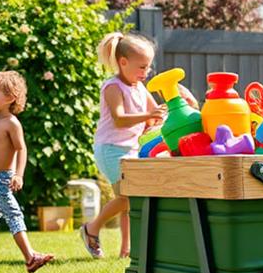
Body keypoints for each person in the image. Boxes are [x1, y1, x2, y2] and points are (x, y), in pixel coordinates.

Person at [79, 32, 196, 259]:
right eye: (141, 67)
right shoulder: (113, 87)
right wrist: (148, 116)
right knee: (127, 197)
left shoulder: (139, 88)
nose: (146, 73)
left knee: (133, 198)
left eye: (148, 68)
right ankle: (91, 229)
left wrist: (181, 105)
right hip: (111, 149)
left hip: (130, 148)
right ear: (123, 63)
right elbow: (119, 118)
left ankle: (127, 249)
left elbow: (156, 117)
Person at [0, 70, 54, 273]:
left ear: (9, 98)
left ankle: (30, 257)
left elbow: (21, 149)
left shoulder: (11, 123)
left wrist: (18, 174)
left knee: (12, 214)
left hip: (2, 178)